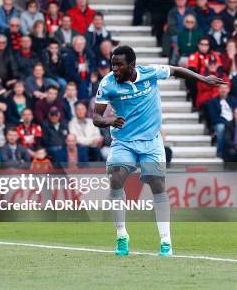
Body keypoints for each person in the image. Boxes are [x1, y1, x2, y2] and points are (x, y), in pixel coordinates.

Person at [92, 45, 226, 257]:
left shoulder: (150, 72)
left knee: (157, 185)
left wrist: (202, 78)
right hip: (124, 141)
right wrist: (109, 120)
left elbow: (176, 70)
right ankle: (121, 236)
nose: (114, 69)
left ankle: (166, 242)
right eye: (113, 64)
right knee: (116, 179)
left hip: (151, 141)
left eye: (119, 65)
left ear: (132, 65)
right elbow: (96, 118)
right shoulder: (107, 83)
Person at [206, 83, 236, 157]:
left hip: (234, 122)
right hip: (220, 122)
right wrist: (227, 123)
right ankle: (220, 152)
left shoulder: (234, 100)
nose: (223, 90)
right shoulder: (213, 102)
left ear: (228, 90)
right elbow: (214, 118)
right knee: (221, 128)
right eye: (221, 88)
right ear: (218, 90)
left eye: (225, 88)